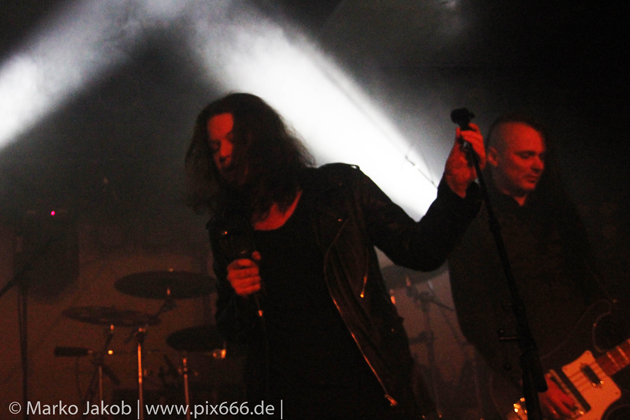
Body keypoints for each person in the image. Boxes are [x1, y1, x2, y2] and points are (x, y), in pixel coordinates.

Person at [185, 93, 485, 419]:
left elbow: (420, 250)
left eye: (233, 140)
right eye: (214, 147)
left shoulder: (339, 190)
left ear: (263, 140)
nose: (223, 154)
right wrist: (240, 297)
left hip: (369, 393)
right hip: (287, 401)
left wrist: (455, 188)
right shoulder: (228, 229)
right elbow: (233, 332)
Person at [448, 114, 614, 419]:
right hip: (527, 380)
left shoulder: (560, 215)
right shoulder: (472, 221)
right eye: (526, 156)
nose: (538, 165)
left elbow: (597, 288)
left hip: (588, 365)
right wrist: (527, 377)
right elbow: (475, 317)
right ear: (494, 157)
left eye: (541, 156)